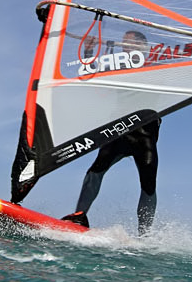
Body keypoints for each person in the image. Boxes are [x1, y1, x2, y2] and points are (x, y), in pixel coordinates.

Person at [61, 30, 160, 235]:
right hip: (120, 129)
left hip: (146, 134)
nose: (124, 47)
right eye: (123, 43)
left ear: (143, 46)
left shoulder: (157, 65)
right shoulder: (118, 64)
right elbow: (90, 74)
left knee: (148, 183)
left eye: (129, 43)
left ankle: (144, 236)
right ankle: (79, 216)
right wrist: (88, 52)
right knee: (96, 170)